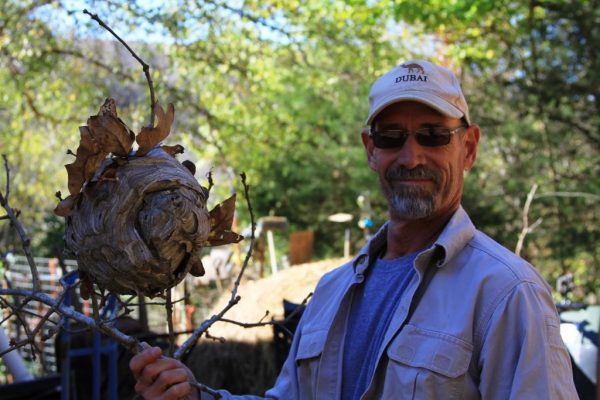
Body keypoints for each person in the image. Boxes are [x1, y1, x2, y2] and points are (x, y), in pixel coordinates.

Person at [130, 60, 578, 399]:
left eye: (432, 135)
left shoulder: (506, 293)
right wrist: (195, 395)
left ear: (469, 147)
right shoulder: (331, 293)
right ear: (370, 150)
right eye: (391, 137)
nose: (411, 157)